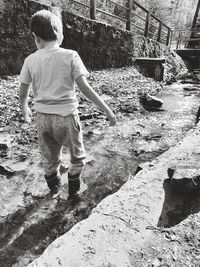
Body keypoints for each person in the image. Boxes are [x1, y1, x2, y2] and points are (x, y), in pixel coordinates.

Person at [18, 9, 116, 200]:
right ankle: (73, 193)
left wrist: (25, 109)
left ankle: (53, 191)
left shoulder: (30, 60)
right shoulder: (70, 55)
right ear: (59, 33)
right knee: (77, 157)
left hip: (42, 119)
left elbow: (23, 90)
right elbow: (85, 89)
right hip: (67, 118)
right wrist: (107, 110)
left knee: (50, 158)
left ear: (35, 37)